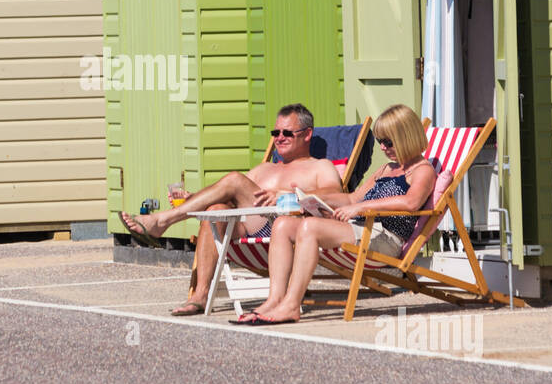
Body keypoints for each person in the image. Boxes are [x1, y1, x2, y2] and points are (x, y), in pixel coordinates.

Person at [119, 103, 342, 316]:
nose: (279, 138)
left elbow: (336, 195)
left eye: (287, 133)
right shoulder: (265, 168)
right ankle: (200, 295)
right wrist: (194, 199)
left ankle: (163, 221)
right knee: (216, 210)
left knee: (236, 179)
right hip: (252, 231)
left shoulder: (320, 166)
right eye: (275, 133)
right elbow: (229, 193)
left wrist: (287, 195)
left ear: (307, 134)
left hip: (287, 230)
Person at [236, 103, 435, 325]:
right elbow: (351, 198)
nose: (382, 148)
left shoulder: (422, 170)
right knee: (283, 224)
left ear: (406, 137)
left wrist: (362, 208)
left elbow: (412, 201)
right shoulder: (386, 169)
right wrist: (306, 196)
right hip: (361, 229)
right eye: (380, 141)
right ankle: (274, 300)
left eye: (388, 142)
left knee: (309, 227)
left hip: (384, 237)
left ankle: (292, 306)